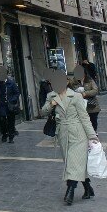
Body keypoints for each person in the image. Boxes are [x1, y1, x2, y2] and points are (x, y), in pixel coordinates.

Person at [42, 72, 100, 205]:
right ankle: (88, 188)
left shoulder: (76, 96)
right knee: (74, 163)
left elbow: (84, 117)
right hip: (62, 134)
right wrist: (52, 103)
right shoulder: (51, 96)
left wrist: (92, 136)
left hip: (78, 134)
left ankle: (70, 192)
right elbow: (43, 111)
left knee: (73, 163)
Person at [0, 66, 20, 143]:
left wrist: (12, 100)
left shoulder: (11, 82)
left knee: (11, 121)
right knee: (2, 119)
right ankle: (4, 134)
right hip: (1, 105)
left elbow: (17, 93)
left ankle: (11, 136)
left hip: (10, 105)